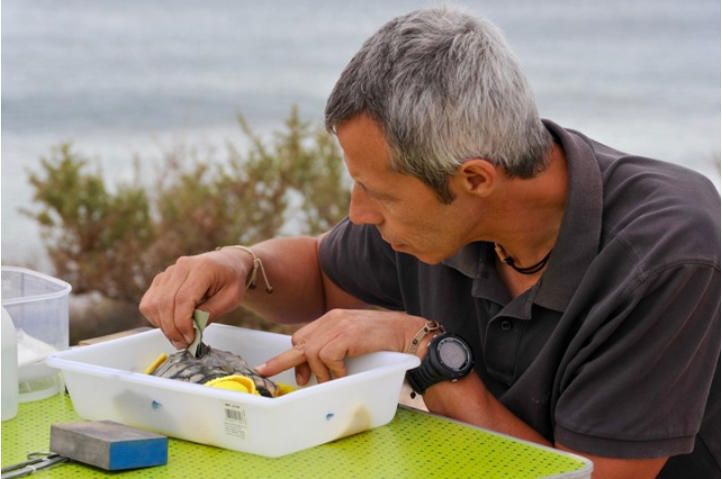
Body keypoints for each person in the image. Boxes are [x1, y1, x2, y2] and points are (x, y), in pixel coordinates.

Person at [139, 7, 720, 478]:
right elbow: (319, 273)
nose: (357, 213)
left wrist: (423, 348)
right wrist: (241, 264)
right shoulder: (443, 216)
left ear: (474, 179)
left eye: (379, 194)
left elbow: (585, 477)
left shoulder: (668, 252)